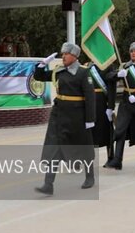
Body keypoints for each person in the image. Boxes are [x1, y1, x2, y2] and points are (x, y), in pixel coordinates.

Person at [33, 43, 96, 195]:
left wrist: (90, 119)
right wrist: (42, 65)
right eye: (62, 54)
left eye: (66, 54)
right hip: (59, 116)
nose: (63, 56)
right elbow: (39, 77)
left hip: (77, 117)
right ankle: (48, 184)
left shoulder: (83, 73)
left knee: (83, 147)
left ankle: (90, 176)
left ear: (75, 56)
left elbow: (90, 97)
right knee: (54, 148)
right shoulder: (59, 71)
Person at [106, 42, 135, 170]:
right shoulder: (125, 66)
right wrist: (118, 74)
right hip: (126, 103)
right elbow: (108, 77)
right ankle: (117, 160)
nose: (133, 52)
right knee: (120, 130)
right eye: (131, 50)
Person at [87, 61, 117, 168]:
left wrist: (111, 107)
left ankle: (111, 157)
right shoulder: (87, 66)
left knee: (106, 131)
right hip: (89, 102)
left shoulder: (108, 66)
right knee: (88, 133)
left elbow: (112, 88)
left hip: (102, 102)